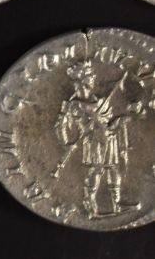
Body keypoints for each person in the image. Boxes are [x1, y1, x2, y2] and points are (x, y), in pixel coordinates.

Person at [55, 60, 142, 218]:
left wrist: (126, 116)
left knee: (113, 169)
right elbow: (61, 128)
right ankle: (90, 206)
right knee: (97, 170)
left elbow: (109, 122)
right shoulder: (74, 105)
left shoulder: (100, 100)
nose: (93, 78)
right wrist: (67, 143)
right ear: (81, 80)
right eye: (90, 76)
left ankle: (117, 203)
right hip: (94, 141)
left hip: (109, 138)